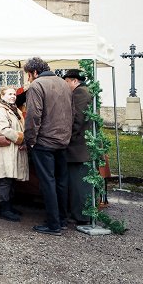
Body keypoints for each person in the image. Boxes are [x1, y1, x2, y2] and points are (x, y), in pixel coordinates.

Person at [23, 57, 73, 236]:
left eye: (28, 75)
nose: (28, 79)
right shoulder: (63, 83)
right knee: (61, 181)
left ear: (34, 72)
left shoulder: (37, 85)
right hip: (63, 140)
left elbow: (33, 116)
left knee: (47, 182)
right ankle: (61, 219)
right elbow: (70, 112)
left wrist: (30, 140)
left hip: (44, 141)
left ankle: (54, 225)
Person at [0, 87, 29, 222]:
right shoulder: (1, 110)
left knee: (12, 178)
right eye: (9, 94)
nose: (13, 96)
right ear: (2, 96)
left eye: (14, 94)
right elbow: (3, 129)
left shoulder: (15, 110)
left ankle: (9, 206)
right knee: (6, 178)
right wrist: (21, 138)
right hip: (6, 149)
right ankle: (3, 208)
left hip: (14, 149)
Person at [63, 69, 92, 225]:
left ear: (74, 81)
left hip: (79, 148)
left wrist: (66, 138)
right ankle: (81, 213)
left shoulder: (80, 93)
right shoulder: (85, 91)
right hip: (82, 147)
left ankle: (82, 216)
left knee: (79, 184)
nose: (65, 85)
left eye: (66, 81)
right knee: (79, 183)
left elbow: (77, 120)